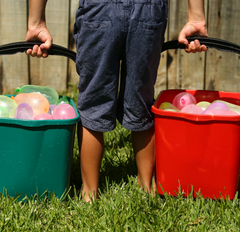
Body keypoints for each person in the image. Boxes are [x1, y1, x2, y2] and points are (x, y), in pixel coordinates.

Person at [26, 0, 208, 202]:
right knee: (142, 99)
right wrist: (197, 16)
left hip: (100, 8)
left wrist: (36, 22)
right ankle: (146, 187)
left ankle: (89, 193)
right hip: (148, 9)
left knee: (94, 102)